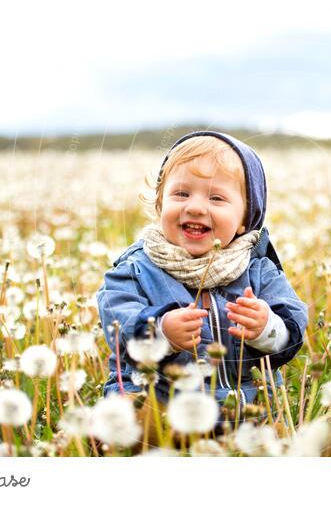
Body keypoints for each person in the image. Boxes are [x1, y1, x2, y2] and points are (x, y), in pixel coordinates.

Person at [96, 130, 309, 420]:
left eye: (217, 198)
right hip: (160, 400)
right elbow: (117, 323)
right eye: (181, 194)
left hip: (243, 404)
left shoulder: (259, 270)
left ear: (246, 219)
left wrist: (266, 328)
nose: (195, 207)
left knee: (274, 434)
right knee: (132, 418)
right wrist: (161, 331)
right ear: (160, 205)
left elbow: (292, 328)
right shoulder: (135, 268)